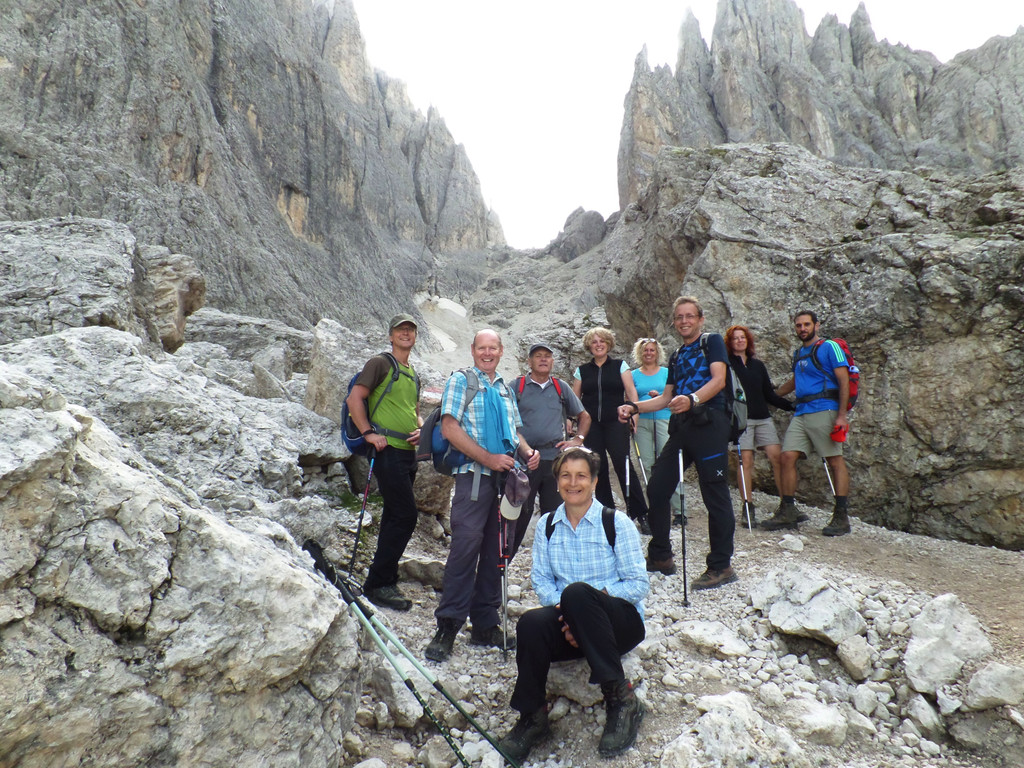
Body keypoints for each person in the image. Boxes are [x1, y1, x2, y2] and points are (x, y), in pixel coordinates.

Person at [497, 447, 648, 763]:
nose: (573, 482)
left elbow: (638, 584)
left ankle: (621, 700)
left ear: (594, 481)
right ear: (556, 483)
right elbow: (541, 582)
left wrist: (585, 607)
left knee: (578, 593)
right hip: (570, 624)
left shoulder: (616, 522)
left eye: (581, 476)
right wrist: (570, 618)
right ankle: (533, 715)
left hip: (619, 624)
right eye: (565, 475)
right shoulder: (548, 525)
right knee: (530, 624)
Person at [424, 329, 541, 662]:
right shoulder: (461, 380)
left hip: (504, 479)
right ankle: (447, 625)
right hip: (473, 478)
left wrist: (529, 451)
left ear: (501, 351)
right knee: (465, 547)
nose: (487, 353)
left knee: (496, 549)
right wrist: (488, 458)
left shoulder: (503, 388)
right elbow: (450, 427)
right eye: (482, 348)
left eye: (493, 348)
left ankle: (485, 623)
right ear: (473, 351)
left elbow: (513, 431)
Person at [617, 297, 737, 591]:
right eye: (679, 317)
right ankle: (661, 555)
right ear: (675, 322)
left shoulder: (712, 343)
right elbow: (665, 397)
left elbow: (719, 379)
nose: (684, 321)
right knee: (657, 487)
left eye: (689, 316)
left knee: (715, 495)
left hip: (710, 424)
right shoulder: (676, 356)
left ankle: (721, 566)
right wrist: (634, 407)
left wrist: (693, 398)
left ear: (700, 318)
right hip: (683, 427)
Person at [345, 313, 422, 611]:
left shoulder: (413, 373)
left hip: (407, 452)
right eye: (400, 330)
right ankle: (378, 583)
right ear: (391, 336)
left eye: (410, 330)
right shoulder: (380, 363)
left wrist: (419, 427)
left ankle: (383, 578)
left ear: (415, 337)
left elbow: (411, 409)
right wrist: (367, 433)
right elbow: (355, 399)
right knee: (405, 516)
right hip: (387, 449)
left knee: (394, 515)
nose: (405, 334)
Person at [760, 311, 852, 536]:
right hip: (802, 411)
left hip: (825, 409)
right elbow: (796, 380)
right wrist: (771, 395)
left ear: (817, 325)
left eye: (806, 324)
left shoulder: (829, 347)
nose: (802, 328)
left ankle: (841, 516)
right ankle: (788, 510)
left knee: (834, 460)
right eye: (799, 325)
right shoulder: (799, 353)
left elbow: (844, 379)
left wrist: (841, 415)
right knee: (786, 456)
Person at [510, 343, 592, 558]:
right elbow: (507, 422)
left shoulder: (560, 387)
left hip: (554, 461)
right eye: (538, 356)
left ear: (552, 361)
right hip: (524, 462)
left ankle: (554, 562)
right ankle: (503, 564)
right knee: (518, 516)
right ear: (529, 361)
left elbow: (584, 416)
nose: (543, 359)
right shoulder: (516, 386)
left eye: (547, 356)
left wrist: (578, 439)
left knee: (555, 515)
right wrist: (524, 450)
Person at [572, 327, 650, 531]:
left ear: (608, 344)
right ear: (589, 346)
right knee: (598, 468)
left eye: (602, 341)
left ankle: (640, 513)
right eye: (594, 342)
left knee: (623, 465)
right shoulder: (582, 370)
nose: (598, 344)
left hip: (617, 422)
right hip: (591, 426)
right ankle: (606, 513)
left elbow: (631, 392)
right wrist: (572, 422)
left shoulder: (619, 365)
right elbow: (574, 399)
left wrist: (635, 415)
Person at [724, 325, 796, 525]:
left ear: (748, 341)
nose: (740, 341)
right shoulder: (727, 366)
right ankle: (748, 507)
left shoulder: (758, 365)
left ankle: (786, 506)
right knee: (745, 461)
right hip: (741, 419)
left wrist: (790, 406)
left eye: (743, 337)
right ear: (730, 343)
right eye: (735, 338)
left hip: (763, 417)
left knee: (778, 457)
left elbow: (769, 394)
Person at [629, 338, 682, 523]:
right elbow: (629, 396)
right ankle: (656, 506)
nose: (649, 353)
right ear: (640, 353)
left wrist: (660, 397)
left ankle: (678, 510)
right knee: (647, 464)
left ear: (657, 352)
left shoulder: (667, 372)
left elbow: (675, 394)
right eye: (645, 351)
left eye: (652, 350)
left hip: (664, 418)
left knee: (668, 463)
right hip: (641, 421)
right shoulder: (633, 374)